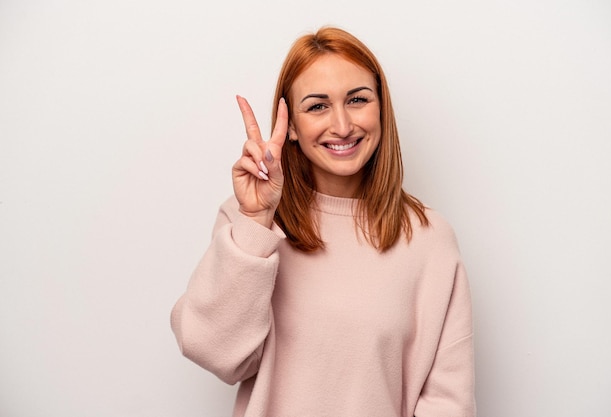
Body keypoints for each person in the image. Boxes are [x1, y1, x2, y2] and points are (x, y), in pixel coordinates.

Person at [171, 26, 475, 417]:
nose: (343, 125)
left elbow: (449, 404)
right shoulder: (250, 221)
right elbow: (213, 352)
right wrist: (255, 221)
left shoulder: (429, 240)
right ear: (292, 126)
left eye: (357, 100)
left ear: (381, 108)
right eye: (317, 106)